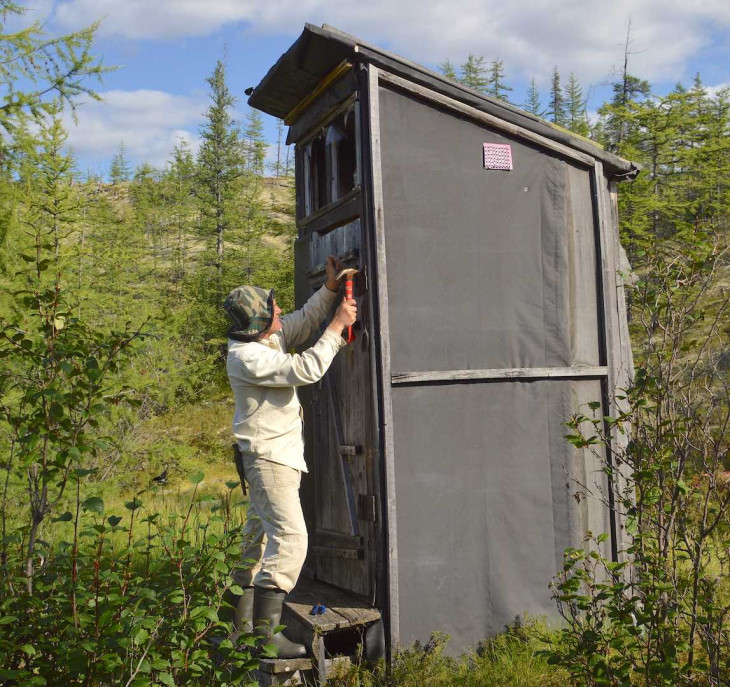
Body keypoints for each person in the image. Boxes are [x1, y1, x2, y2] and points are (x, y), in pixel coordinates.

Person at [223, 256, 357, 658]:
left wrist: (331, 290)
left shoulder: (263, 340)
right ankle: (266, 637)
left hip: (271, 457)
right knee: (292, 540)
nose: (279, 310)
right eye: (272, 308)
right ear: (259, 321)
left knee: (256, 543)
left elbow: (300, 318)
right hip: (270, 460)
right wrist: (337, 327)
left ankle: (232, 629)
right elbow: (307, 368)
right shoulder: (248, 358)